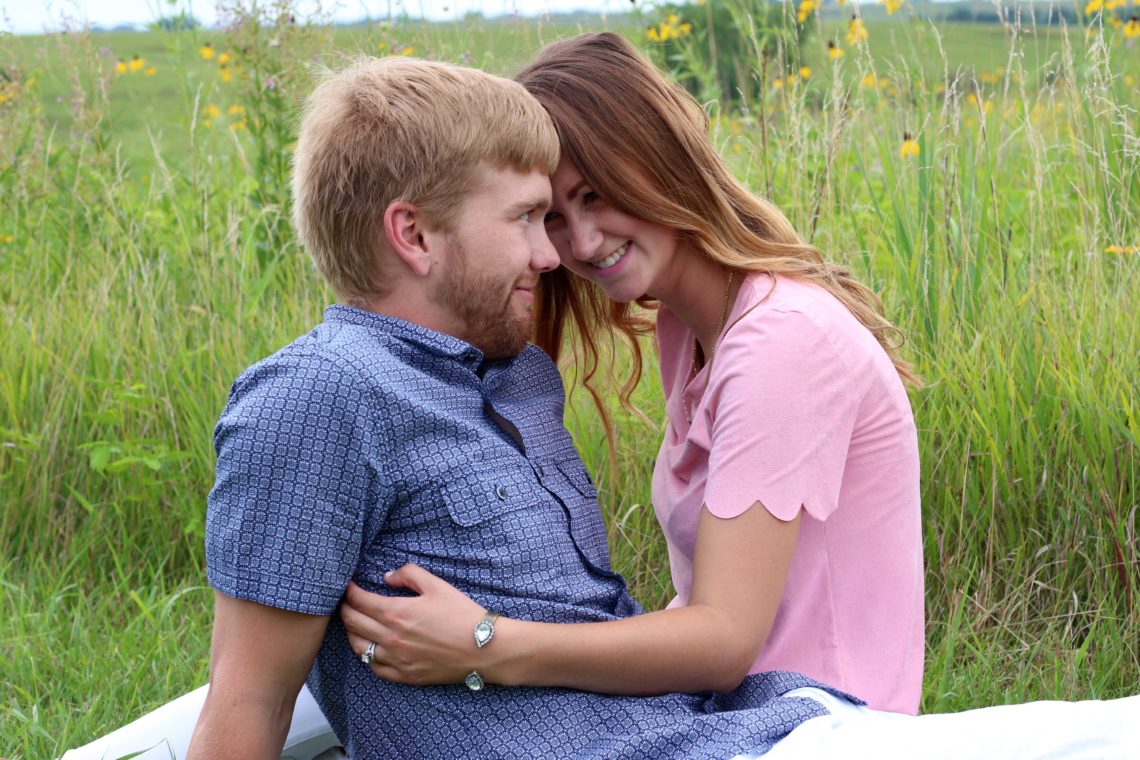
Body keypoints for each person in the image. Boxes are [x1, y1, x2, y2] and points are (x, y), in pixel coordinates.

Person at [64, 44, 1140, 760]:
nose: (563, 250)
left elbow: (681, 640)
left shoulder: (559, 371)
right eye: (537, 216)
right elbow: (250, 689)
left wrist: (483, 639)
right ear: (413, 233)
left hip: (752, 717)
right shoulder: (328, 397)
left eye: (575, 205)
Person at [338, 31, 924, 715]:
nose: (580, 243)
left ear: (658, 159)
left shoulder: (781, 343)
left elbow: (725, 639)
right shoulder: (691, 329)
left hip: (817, 732)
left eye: (596, 195)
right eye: (551, 216)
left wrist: (484, 644)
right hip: (735, 719)